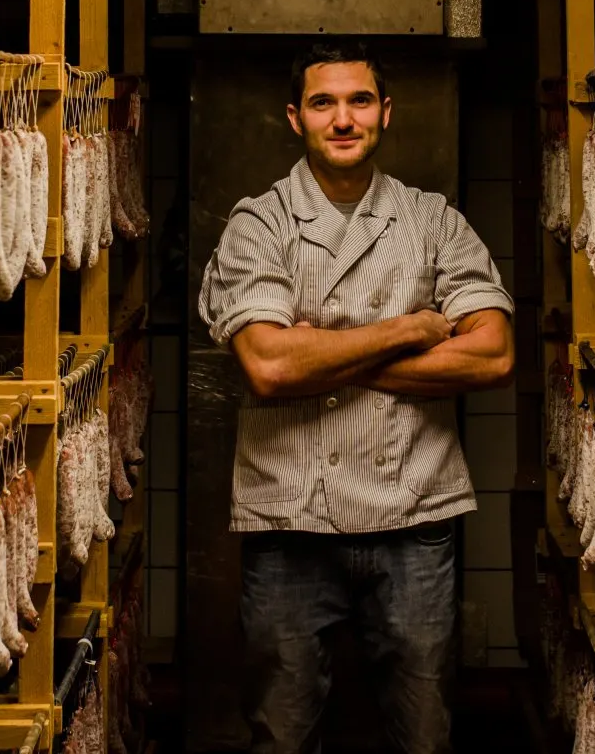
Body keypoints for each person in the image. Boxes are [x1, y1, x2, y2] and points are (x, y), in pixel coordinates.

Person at [198, 42, 515, 754]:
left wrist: (328, 353)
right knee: (280, 733)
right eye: (323, 102)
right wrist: (408, 330)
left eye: (359, 101)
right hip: (289, 523)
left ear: (384, 113)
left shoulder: (433, 221)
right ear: (295, 118)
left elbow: (493, 354)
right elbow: (271, 368)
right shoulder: (260, 223)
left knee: (424, 733)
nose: (343, 119)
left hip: (414, 515)